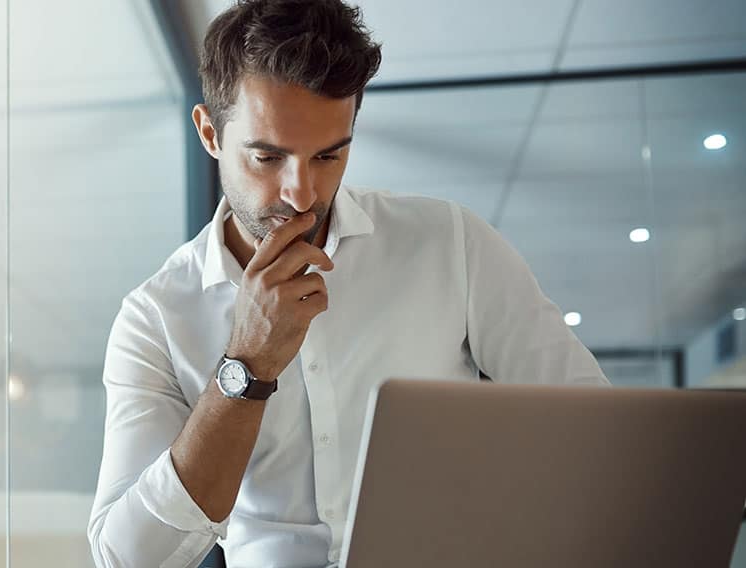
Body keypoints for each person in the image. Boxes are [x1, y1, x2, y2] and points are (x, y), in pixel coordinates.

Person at [87, 1, 609, 566]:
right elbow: (128, 556)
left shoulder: (451, 243)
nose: (302, 194)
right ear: (210, 133)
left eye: (329, 155)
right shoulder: (155, 318)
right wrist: (247, 365)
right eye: (267, 157)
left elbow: (596, 437)